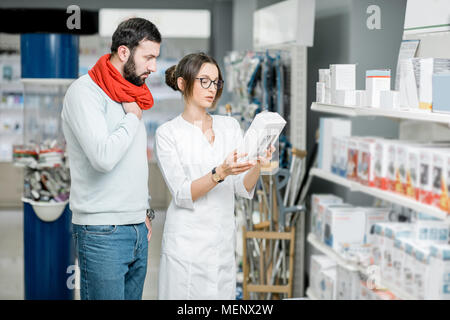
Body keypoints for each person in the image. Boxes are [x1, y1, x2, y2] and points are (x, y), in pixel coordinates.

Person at [155, 52, 274, 299]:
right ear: (182, 83)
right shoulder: (168, 133)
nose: (212, 89)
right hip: (186, 248)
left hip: (220, 245)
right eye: (204, 81)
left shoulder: (228, 126)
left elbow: (242, 187)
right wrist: (219, 173)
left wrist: (258, 165)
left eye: (216, 82)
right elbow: (182, 193)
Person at [61, 18, 161, 300]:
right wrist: (131, 119)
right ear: (124, 52)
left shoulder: (130, 94)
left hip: (138, 229)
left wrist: (144, 209)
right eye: (149, 57)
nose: (153, 67)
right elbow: (103, 157)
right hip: (101, 232)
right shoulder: (85, 92)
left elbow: (132, 162)